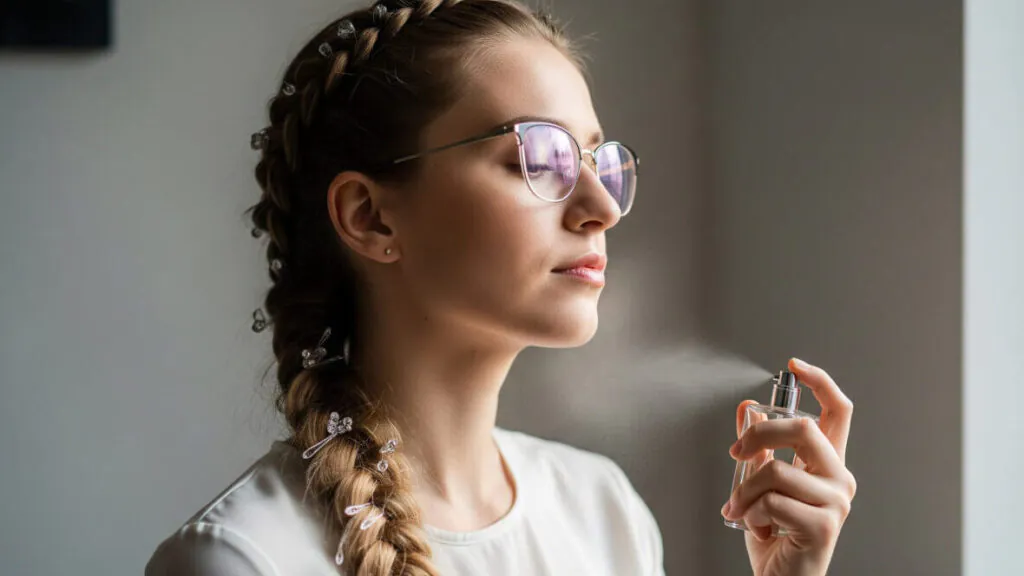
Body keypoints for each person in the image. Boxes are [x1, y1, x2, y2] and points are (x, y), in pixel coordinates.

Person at [145, 1, 856, 574]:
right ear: (369, 216)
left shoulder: (602, 510)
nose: (601, 208)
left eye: (599, 163)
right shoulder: (240, 560)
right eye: (539, 156)